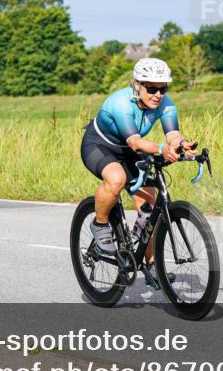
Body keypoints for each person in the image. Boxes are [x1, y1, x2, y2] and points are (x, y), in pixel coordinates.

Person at [80, 58, 195, 286]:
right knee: (116, 178)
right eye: (151, 88)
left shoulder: (166, 104)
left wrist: (182, 145)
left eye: (162, 89)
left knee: (149, 210)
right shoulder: (121, 103)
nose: (158, 95)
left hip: (131, 151)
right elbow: (135, 142)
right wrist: (163, 149)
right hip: (100, 146)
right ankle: (100, 224)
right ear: (137, 85)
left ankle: (150, 266)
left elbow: (172, 135)